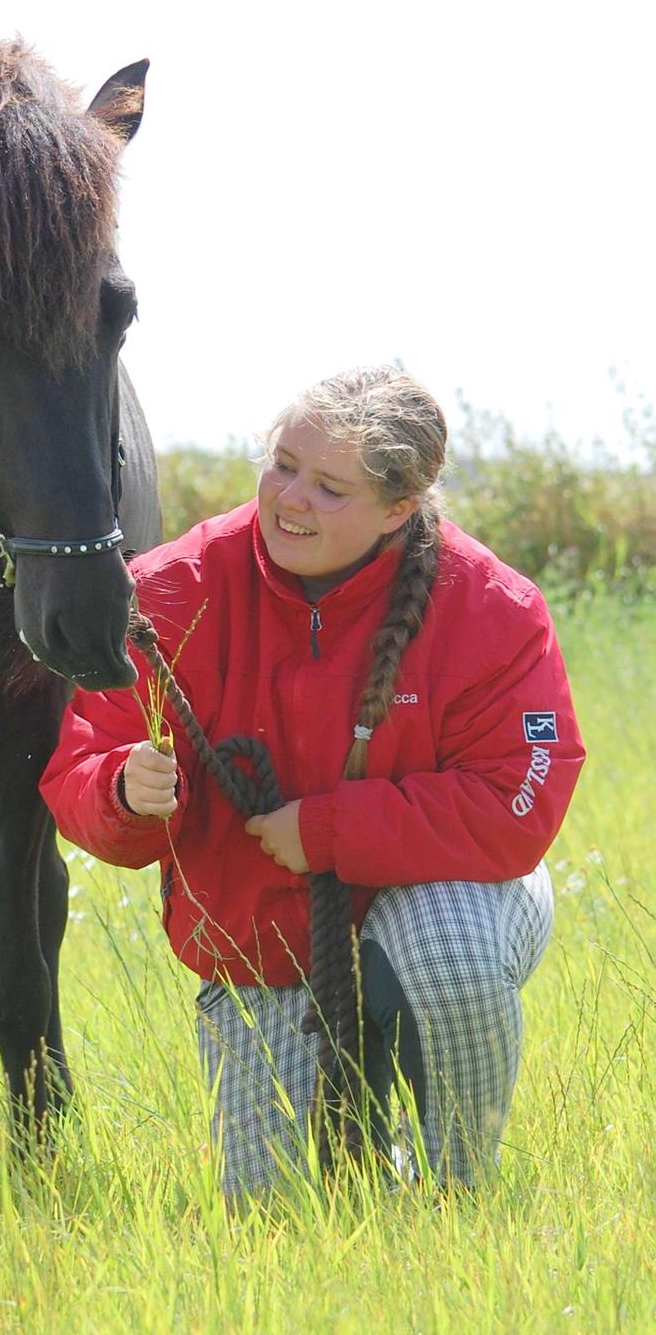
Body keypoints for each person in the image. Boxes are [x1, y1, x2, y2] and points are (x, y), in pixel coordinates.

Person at [40, 366, 585, 1197]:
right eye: (283, 463)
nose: (291, 497)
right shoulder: (171, 590)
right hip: (265, 942)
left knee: (451, 957)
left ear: (400, 509)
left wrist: (328, 831)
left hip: (446, 901)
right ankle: (368, 1152)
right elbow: (79, 760)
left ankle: (456, 1194)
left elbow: (519, 801)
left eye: (331, 488)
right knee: (277, 1218)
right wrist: (121, 790)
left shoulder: (493, 607)